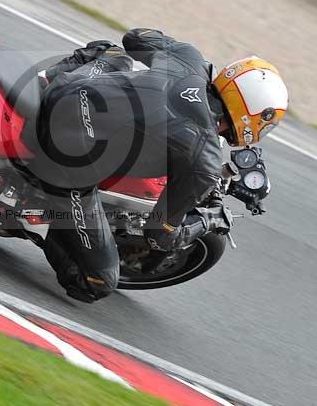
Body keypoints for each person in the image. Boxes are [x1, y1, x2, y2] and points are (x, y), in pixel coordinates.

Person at [24, 28, 288, 302]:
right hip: (64, 158)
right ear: (254, 117)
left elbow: (134, 38)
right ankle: (44, 219)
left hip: (60, 91)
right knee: (98, 282)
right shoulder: (205, 162)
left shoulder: (188, 59)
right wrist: (209, 220)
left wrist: (179, 61)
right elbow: (158, 237)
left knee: (113, 53)